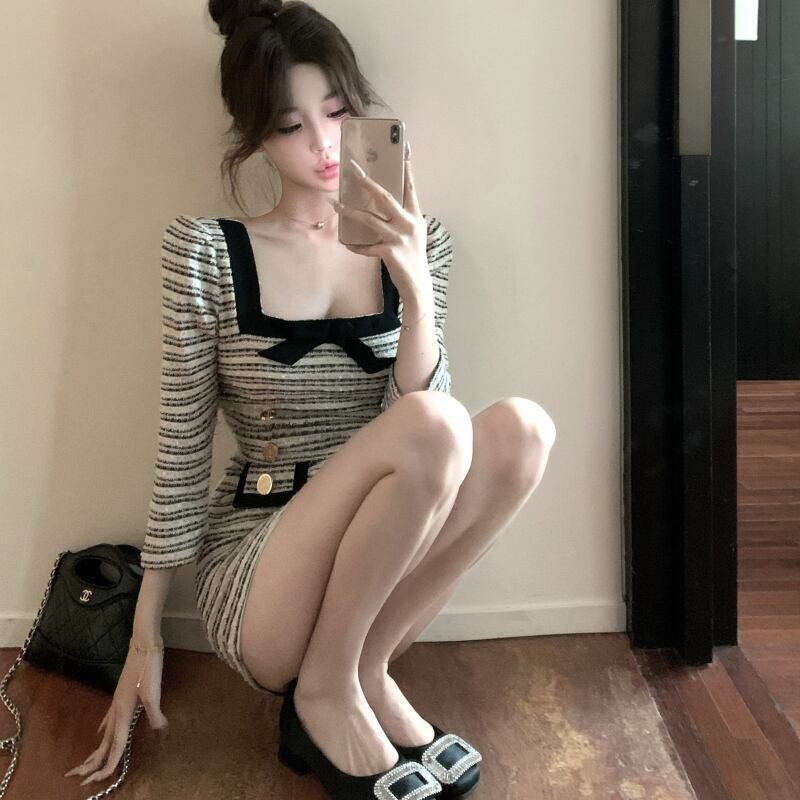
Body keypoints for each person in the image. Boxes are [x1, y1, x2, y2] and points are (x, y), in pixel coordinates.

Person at [65, 1, 556, 797]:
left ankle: (361, 672)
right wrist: (144, 636)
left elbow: (439, 444)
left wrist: (413, 289)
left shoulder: (419, 243)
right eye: (292, 126)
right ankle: (324, 691)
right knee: (434, 424)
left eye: (337, 113)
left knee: (522, 431)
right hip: (263, 572)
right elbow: (182, 443)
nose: (325, 144)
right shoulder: (207, 253)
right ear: (255, 135)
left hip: (378, 573)